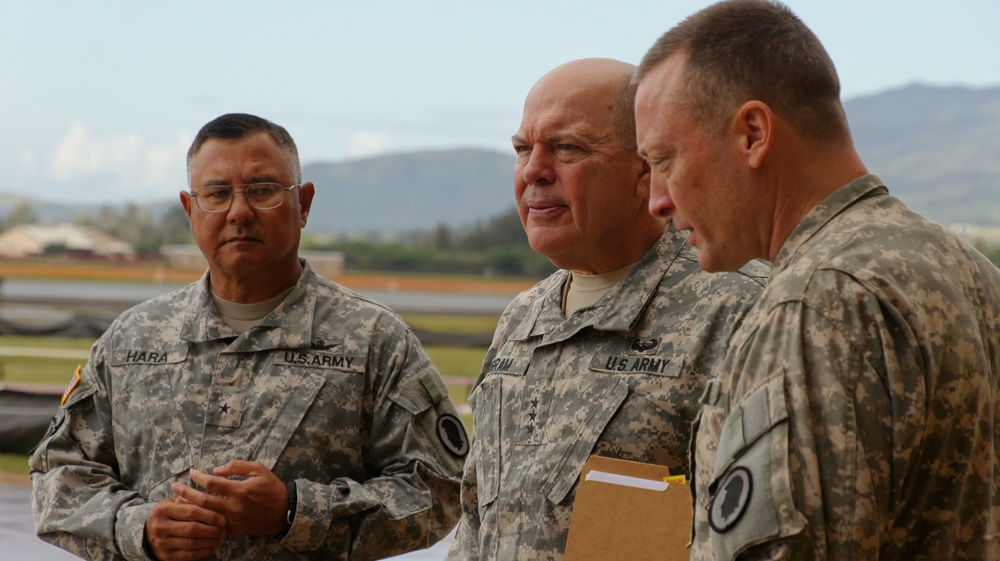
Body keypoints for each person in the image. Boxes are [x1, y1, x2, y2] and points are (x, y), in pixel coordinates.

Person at [634, 1, 1000, 559]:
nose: (658, 200)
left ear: (753, 133)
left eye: (665, 160)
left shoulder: (815, 304)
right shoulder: (968, 269)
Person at [29, 113, 468, 561]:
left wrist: (296, 512)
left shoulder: (374, 340)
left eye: (263, 191)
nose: (239, 212)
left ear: (304, 204)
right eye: (217, 194)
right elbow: (56, 478)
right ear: (189, 209)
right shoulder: (131, 341)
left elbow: (442, 487)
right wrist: (138, 528)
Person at [446, 58, 769, 560]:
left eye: (567, 148)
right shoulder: (523, 317)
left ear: (646, 167)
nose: (533, 171)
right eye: (522, 148)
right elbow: (475, 516)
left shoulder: (738, 308)